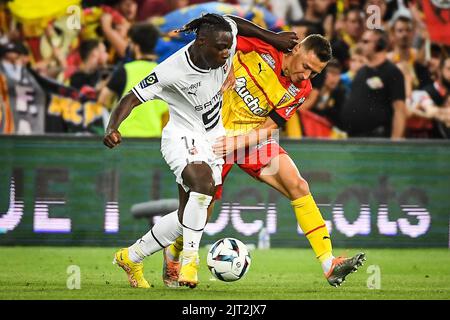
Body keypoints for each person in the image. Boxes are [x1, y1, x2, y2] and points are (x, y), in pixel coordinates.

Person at [103, 13, 298, 289]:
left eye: (228, 47)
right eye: (220, 48)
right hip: (180, 136)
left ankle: (131, 256)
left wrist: (272, 37)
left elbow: (233, 21)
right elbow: (131, 98)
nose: (226, 53)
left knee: (189, 216)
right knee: (203, 184)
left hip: (213, 137)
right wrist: (113, 127)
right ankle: (190, 262)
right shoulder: (172, 70)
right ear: (201, 41)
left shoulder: (223, 37)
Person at [162, 34, 366, 288]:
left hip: (250, 138)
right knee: (202, 207)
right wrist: (226, 67)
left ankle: (329, 263)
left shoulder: (301, 90)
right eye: (306, 67)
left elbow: (271, 126)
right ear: (298, 48)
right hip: (212, 132)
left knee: (298, 184)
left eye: (314, 74)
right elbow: (226, 35)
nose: (306, 77)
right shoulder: (266, 46)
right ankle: (174, 252)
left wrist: (239, 142)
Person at [98, 22, 168, 137]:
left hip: (124, 138)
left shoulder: (125, 70)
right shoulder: (163, 72)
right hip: (154, 139)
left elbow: (103, 100)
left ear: (136, 46)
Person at [340, 28, 408, 138]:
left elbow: (399, 110)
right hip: (354, 138)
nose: (361, 45)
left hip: (377, 138)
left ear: (380, 45)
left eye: (366, 41)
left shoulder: (393, 72)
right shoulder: (361, 71)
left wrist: (395, 142)